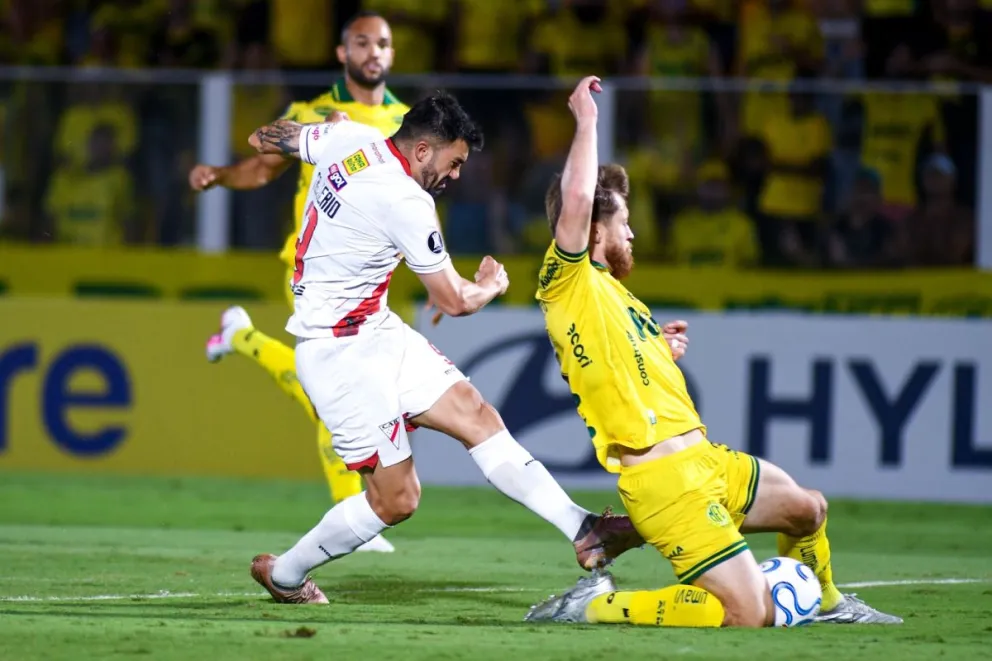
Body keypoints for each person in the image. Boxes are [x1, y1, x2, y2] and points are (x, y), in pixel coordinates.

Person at [524, 76, 903, 628]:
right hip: (663, 480)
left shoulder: (615, 298)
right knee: (745, 614)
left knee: (808, 508)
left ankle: (829, 605)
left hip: (706, 462)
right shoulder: (567, 282)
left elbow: (621, 367)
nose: (633, 236)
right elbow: (578, 197)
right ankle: (595, 606)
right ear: (592, 229)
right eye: (624, 224)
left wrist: (661, 348)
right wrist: (587, 121)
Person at [242, 90, 644, 604]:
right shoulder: (408, 201)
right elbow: (454, 301)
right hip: (338, 354)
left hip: (376, 329)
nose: (454, 177)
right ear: (423, 150)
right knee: (397, 500)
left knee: (478, 417)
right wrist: (491, 286)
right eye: (453, 163)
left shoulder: (350, 138)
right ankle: (286, 574)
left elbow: (263, 137)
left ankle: (583, 528)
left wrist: (329, 136)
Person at [188, 11, 407, 552]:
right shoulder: (312, 114)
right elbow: (263, 168)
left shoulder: (406, 120)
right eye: (362, 42)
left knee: (341, 391)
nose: (372, 52)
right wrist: (219, 174)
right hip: (312, 270)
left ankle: (241, 337)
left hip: (373, 277)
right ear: (342, 53)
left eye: (382, 43)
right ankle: (349, 505)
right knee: (335, 388)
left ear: (392, 54)